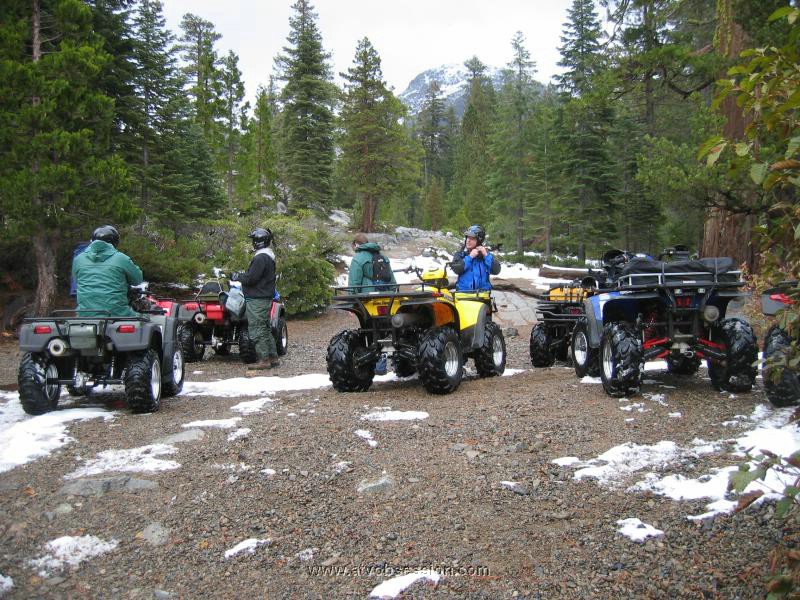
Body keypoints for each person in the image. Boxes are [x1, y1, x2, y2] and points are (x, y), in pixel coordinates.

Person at [231, 227, 279, 372]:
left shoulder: (260, 258)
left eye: (254, 240)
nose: (252, 243)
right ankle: (272, 357)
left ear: (259, 242)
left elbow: (252, 278)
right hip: (263, 297)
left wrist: (237, 276)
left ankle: (264, 360)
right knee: (264, 328)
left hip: (257, 299)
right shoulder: (267, 256)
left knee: (257, 329)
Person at [72, 225, 143, 317]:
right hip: (117, 313)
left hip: (84, 314)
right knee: (146, 320)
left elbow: (77, 281)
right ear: (115, 242)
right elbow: (137, 280)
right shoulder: (121, 258)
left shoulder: (78, 259)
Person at [450, 225, 500, 291]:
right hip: (463, 296)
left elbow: (496, 270)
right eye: (467, 237)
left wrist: (486, 255)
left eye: (472, 238)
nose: (468, 240)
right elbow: (456, 269)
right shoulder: (460, 254)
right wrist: (470, 257)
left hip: (483, 297)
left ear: (479, 240)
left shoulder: (486, 256)